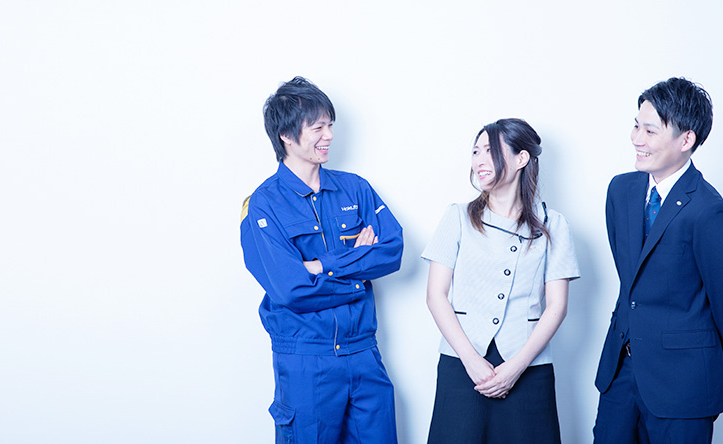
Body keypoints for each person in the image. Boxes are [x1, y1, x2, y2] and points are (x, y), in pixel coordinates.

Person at [240, 76, 403, 443]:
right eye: (317, 127)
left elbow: (392, 251)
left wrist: (321, 266)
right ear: (286, 134)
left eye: (330, 125)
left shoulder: (355, 188)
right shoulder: (263, 205)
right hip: (306, 361)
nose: (329, 135)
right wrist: (358, 270)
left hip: (364, 354)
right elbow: (290, 289)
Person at [593, 77, 723, 443]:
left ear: (686, 140)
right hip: (620, 373)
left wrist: (707, 360)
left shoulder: (709, 211)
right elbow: (631, 278)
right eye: (636, 126)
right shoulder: (621, 190)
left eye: (650, 130)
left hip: (683, 381)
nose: (636, 139)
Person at [422, 118, 579, 443]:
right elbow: (436, 295)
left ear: (522, 158)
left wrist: (516, 367)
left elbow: (557, 306)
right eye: (475, 151)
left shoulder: (553, 224)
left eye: (489, 151)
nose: (479, 160)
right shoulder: (457, 217)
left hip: (528, 366)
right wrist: (471, 361)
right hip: (462, 363)